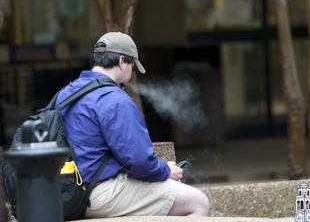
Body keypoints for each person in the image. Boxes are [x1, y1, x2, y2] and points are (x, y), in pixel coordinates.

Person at [55, 32, 209, 217]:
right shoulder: (115, 99)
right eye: (133, 66)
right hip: (98, 194)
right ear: (122, 61)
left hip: (66, 191)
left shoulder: (65, 93)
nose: (132, 73)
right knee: (198, 202)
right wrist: (165, 170)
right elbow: (140, 162)